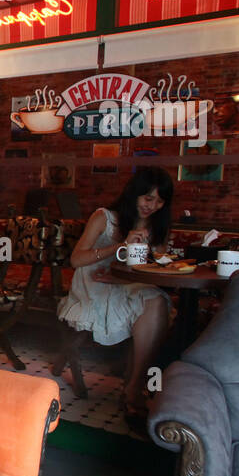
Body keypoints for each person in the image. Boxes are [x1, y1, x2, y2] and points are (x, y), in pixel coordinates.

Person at [57, 166, 175, 426]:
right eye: (147, 198)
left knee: (155, 302)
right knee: (152, 305)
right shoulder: (105, 217)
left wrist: (120, 278)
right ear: (134, 193)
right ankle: (135, 391)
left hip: (125, 285)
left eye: (159, 201)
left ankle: (132, 387)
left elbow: (148, 270)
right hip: (93, 286)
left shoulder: (157, 228)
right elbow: (77, 259)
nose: (152, 206)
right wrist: (119, 246)